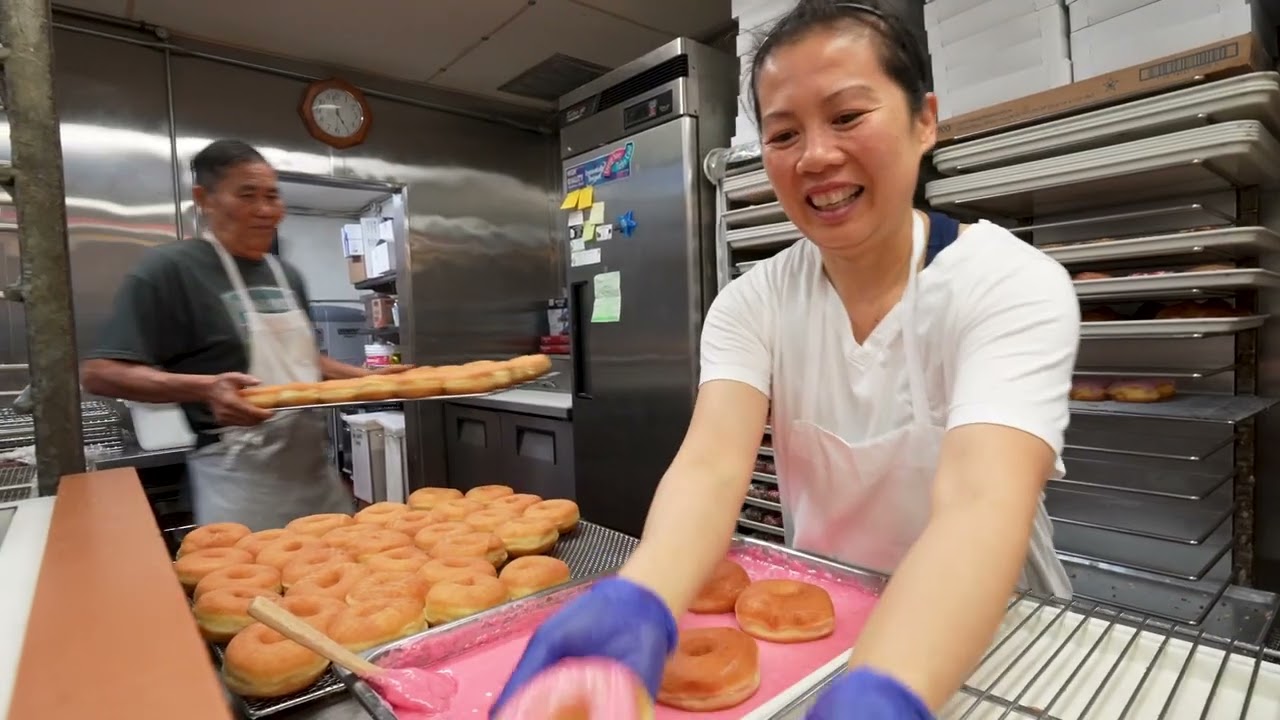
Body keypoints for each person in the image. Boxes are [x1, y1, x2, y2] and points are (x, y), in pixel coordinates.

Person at [493, 1, 1080, 717]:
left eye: (847, 116)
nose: (816, 156)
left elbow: (980, 503)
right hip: (829, 628)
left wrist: (886, 689)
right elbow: (711, 469)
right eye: (783, 134)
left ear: (924, 121)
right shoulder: (753, 303)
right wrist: (642, 594)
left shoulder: (1008, 283)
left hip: (1004, 641)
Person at [81, 139, 403, 530]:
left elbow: (302, 361)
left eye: (272, 196)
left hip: (313, 473)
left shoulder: (285, 275)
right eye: (247, 195)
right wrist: (206, 389)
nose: (266, 210)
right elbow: (100, 373)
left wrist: (367, 381)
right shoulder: (171, 270)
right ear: (205, 199)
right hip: (240, 482)